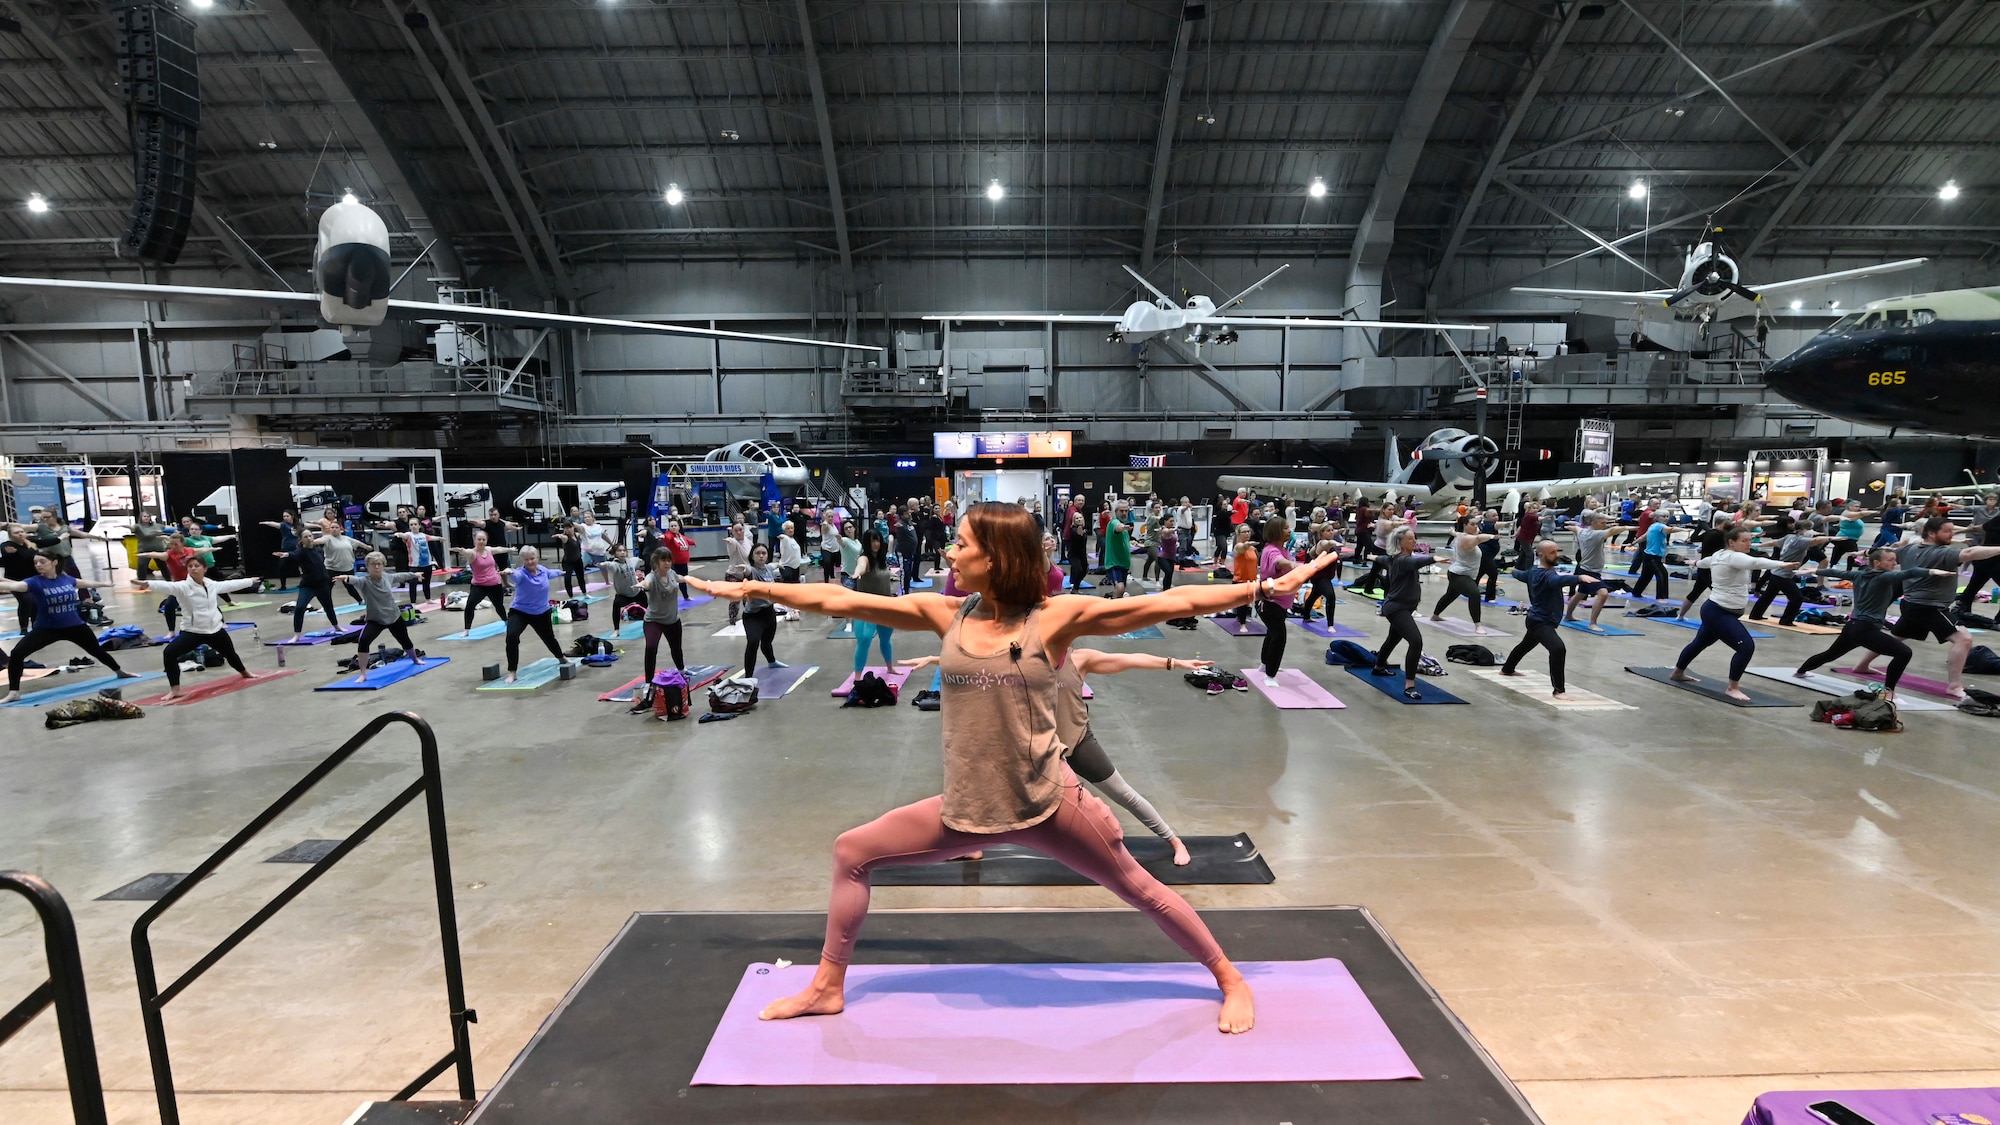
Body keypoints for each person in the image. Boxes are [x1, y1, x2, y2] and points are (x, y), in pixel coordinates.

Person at [686, 501, 1340, 1034]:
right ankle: (828, 986)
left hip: (1050, 805)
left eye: (961, 542)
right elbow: (838, 600)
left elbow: (1163, 605)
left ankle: (1229, 975)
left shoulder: (1053, 619)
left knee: (1139, 887)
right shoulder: (945, 613)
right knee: (852, 851)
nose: (949, 551)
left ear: (996, 557)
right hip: (966, 810)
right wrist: (756, 586)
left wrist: (1258, 586)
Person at [900, 646, 1203, 866]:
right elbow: (978, 661)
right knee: (984, 794)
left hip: (1078, 741)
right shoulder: (1025, 658)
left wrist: (1173, 662)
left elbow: (1126, 660)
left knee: (1123, 793)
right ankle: (972, 846)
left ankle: (1173, 840)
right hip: (1039, 750)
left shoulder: (1079, 658)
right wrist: (934, 659)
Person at [1851, 515, 2000, 700]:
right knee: (1964, 639)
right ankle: (1954, 686)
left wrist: (1865, 553)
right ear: (1931, 533)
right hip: (1930, 607)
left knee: (1897, 637)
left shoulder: (1909, 549)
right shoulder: (1941, 553)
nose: (1951, 534)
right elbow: (1970, 554)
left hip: (1911, 604)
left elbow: (1887, 553)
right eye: (1947, 531)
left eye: (1952, 530)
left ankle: (1862, 665)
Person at [1794, 547, 1954, 700]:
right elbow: (1909, 573)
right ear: (1877, 563)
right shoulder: (1884, 577)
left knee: (1829, 655)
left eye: (1894, 560)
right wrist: (1932, 571)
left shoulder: (1859, 575)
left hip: (1853, 626)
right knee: (1904, 653)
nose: (1894, 563)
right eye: (1890, 560)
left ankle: (1800, 672)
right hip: (1866, 629)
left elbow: (1835, 572)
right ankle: (1889, 691)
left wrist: (1812, 570)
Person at [1668, 527, 1799, 701]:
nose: (1748, 544)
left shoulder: (1719, 555)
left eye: (1750, 540)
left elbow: (1704, 562)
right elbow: (1755, 563)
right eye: (1744, 541)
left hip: (1713, 609)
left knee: (1700, 643)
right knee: (1746, 647)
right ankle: (1732, 688)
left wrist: (1693, 563)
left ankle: (1678, 672)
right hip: (1719, 612)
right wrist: (1782, 564)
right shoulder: (1733, 557)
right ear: (1731, 542)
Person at [2, 552, 141, 701]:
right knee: (17, 653)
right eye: (36, 563)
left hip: (74, 626)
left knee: (97, 650)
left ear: (54, 562)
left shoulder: (66, 578)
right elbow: (14, 585)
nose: (38, 565)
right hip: (46, 628)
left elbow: (85, 583)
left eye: (42, 562)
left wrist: (104, 584)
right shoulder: (34, 582)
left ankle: (120, 671)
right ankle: (14, 693)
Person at [130, 557, 260, 699]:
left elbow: (230, 585)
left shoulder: (212, 584)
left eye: (197, 565)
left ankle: (245, 673)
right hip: (193, 631)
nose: (193, 568)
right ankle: (175, 689)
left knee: (230, 654)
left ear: (204, 569)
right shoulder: (182, 587)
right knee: (169, 653)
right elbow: (166, 586)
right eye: (190, 566)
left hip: (215, 629)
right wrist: (147, 583)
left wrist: (250, 581)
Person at [1502, 540, 1582, 699]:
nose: (1557, 555)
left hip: (1538, 619)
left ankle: (1507, 669)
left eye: (1556, 551)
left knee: (1525, 645)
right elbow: (1558, 581)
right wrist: (1578, 578)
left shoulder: (1533, 572)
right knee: (1558, 649)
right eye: (1552, 552)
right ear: (1541, 555)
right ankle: (1559, 690)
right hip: (1540, 622)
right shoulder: (1546, 575)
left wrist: (1513, 571)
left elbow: (1520, 574)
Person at [334, 552, 431, 668]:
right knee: (363, 641)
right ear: (367, 566)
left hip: (393, 617)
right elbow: (355, 580)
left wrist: (414, 574)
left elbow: (401, 576)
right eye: (373, 564)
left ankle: (415, 659)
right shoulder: (364, 581)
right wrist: (346, 577)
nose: (376, 567)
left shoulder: (388, 577)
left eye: (379, 564)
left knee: (405, 640)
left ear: (383, 565)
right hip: (376, 620)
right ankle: (363, 674)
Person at [1370, 526, 1431, 701]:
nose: (1415, 541)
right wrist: (1434, 558)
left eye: (1414, 538)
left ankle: (1379, 666)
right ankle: (1409, 685)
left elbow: (1383, 558)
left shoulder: (1394, 559)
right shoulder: (1403, 560)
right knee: (1416, 641)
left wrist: (1373, 557)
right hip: (1397, 608)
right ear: (1400, 543)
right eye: (1410, 539)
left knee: (1393, 639)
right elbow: (1416, 563)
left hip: (1404, 607)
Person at [495, 546, 568, 683]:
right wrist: (509, 572)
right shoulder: (521, 574)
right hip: (520, 612)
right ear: (522, 560)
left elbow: (552, 573)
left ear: (537, 558)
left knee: (549, 638)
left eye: (532, 558)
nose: (530, 562)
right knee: (512, 637)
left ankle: (561, 657)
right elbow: (515, 575)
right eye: (526, 559)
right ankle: (512, 672)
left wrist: (562, 572)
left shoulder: (543, 571)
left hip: (541, 612)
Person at [1749, 517, 1832, 626]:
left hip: (1776, 572)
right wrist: (1832, 538)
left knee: (1768, 595)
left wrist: (1758, 545)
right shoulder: (1800, 540)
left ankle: (1755, 614)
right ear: (1803, 530)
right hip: (1783, 575)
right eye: (1810, 530)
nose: (1812, 532)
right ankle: (1786, 621)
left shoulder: (1789, 537)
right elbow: (1816, 540)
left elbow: (1775, 542)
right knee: (1797, 598)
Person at [1431, 515, 1497, 636]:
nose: (1475, 526)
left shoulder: (1461, 535)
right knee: (1474, 594)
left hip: (1460, 572)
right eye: (1472, 524)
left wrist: (1453, 532)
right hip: (1459, 574)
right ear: (1465, 525)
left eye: (1476, 524)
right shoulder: (1467, 539)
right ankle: (1478, 625)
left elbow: (1458, 534)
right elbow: (1479, 538)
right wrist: (1493, 536)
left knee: (1450, 595)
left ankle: (1435, 616)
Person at [275, 529, 342, 641]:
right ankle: (297, 635)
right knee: (300, 607)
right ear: (301, 540)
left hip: (322, 584)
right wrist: (286, 554)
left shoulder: (319, 551)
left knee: (328, 607)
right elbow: (293, 554)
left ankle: (336, 626)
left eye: (310, 536)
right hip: (308, 585)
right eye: (305, 537)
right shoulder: (301, 552)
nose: (309, 538)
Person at [1562, 512, 1623, 632]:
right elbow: (1613, 531)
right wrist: (1628, 527)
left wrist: (1569, 526)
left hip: (1585, 568)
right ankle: (1592, 623)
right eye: (1603, 523)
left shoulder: (1583, 531)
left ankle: (1568, 616)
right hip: (1590, 571)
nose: (1605, 525)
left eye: (1606, 523)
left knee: (1580, 593)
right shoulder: (1595, 534)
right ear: (1594, 523)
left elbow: (1575, 528)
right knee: (1603, 594)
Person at [735, 542, 785, 682]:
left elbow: (772, 565)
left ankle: (772, 662)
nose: (761, 556)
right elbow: (747, 570)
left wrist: (779, 564)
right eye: (758, 553)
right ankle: (748, 677)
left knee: (767, 642)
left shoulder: (768, 568)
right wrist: (744, 568)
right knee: (753, 642)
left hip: (769, 612)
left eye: (764, 553)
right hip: (753, 615)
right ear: (752, 556)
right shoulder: (753, 571)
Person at [1255, 517, 1295, 686]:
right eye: (1286, 528)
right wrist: (1293, 565)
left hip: (1280, 603)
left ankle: (1264, 665)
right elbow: (1279, 562)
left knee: (1272, 634)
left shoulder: (1282, 549)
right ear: (1277, 532)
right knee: (1279, 637)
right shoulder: (1272, 550)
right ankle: (1270, 675)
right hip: (1270, 604)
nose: (1289, 531)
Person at [850, 530, 896, 676]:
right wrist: (857, 573)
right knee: (864, 640)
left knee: (886, 638)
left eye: (877, 540)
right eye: (871, 541)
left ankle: (890, 667)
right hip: (867, 607)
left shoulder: (882, 559)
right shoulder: (864, 558)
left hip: (885, 606)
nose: (875, 544)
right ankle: (857, 677)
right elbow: (861, 566)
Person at [450, 529, 513, 635]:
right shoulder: (472, 553)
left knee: (499, 606)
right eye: (479, 539)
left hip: (494, 583)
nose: (481, 541)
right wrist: (461, 550)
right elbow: (466, 552)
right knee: (470, 605)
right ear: (474, 540)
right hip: (479, 585)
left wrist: (510, 549)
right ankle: (466, 630)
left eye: (483, 539)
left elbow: (499, 549)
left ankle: (506, 621)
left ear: (486, 540)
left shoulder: (488, 550)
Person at [638, 548, 686, 681]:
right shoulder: (652, 576)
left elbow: (679, 578)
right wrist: (642, 585)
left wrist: (691, 580)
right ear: (656, 562)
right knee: (651, 647)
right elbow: (647, 583)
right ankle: (648, 681)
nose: (667, 563)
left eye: (669, 560)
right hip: (654, 620)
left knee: (676, 649)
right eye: (663, 560)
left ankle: (681, 670)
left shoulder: (671, 573)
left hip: (672, 620)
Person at [1952, 494, 2000, 613]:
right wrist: (1959, 531)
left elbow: (1979, 528)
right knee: (1974, 585)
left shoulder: (1997, 519)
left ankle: (1961, 608)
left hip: (1982, 558)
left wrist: (1959, 531)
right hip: (1995, 560)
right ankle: (1998, 620)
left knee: (1973, 586)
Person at [1296, 523, 1342, 622]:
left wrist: (1339, 532)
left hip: (1324, 577)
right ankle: (1330, 625)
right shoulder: (1322, 543)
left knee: (1313, 596)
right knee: (1330, 596)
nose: (1331, 532)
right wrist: (1334, 543)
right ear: (1321, 533)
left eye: (1332, 530)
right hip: (1320, 577)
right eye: (1328, 531)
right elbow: (1327, 544)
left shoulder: (1327, 542)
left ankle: (1306, 617)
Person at [1628, 507, 1671, 600]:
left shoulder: (1653, 526)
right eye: (1663, 516)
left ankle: (1636, 592)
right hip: (1653, 556)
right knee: (1662, 574)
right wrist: (1683, 530)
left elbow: (1644, 537)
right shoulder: (1660, 526)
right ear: (1657, 517)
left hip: (1650, 555)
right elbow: (1670, 530)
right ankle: (1661, 597)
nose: (1666, 518)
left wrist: (1633, 543)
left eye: (1667, 516)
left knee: (1646, 575)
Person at [3, 525, 38, 632]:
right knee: (26, 600)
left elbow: (45, 543)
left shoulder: (30, 543)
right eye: (16, 533)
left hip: (32, 578)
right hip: (14, 580)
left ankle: (35, 626)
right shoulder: (7, 545)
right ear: (10, 536)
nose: (20, 534)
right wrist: (9, 553)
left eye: (22, 532)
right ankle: (23, 627)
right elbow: (25, 557)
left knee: (35, 602)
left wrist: (60, 538)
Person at [260, 510, 302, 591]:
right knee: (282, 567)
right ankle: (283, 585)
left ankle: (303, 582)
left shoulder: (299, 525)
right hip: (285, 549)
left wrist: (318, 523)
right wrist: (267, 523)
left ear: (292, 516)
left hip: (297, 549)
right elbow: (275, 524)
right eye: (284, 516)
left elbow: (307, 525)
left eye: (287, 516)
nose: (285, 518)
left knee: (302, 566)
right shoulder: (283, 525)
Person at [601, 543, 643, 620]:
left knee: (648, 609)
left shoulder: (629, 561)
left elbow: (636, 559)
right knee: (616, 605)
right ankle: (616, 630)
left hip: (637, 592)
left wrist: (640, 559)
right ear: (614, 553)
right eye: (619, 551)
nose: (622, 552)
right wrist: (604, 564)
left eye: (624, 550)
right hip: (624, 595)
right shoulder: (615, 564)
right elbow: (611, 565)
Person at [1102, 501, 1133, 598]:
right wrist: (1122, 527)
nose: (1124, 513)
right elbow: (1118, 527)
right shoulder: (1114, 522)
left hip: (1124, 563)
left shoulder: (1124, 527)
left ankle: (1114, 600)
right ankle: (1112, 609)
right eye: (1121, 511)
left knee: (1121, 590)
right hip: (1114, 563)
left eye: (1126, 511)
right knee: (1120, 587)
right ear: (1116, 512)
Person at [1229, 524, 1259, 622]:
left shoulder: (1253, 549)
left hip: (1251, 580)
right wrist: (1248, 544)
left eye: (1248, 531)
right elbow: (1243, 547)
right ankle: (1241, 622)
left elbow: (1254, 565)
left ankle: (1243, 618)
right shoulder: (1238, 546)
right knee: (1242, 605)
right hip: (1240, 580)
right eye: (1244, 532)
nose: (1247, 534)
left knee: (1248, 603)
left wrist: (1258, 576)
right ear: (1238, 534)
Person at [133, 511, 173, 579]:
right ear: (141, 517)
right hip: (144, 549)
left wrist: (174, 529)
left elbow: (167, 528)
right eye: (144, 516)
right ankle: (141, 583)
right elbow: (132, 528)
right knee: (141, 565)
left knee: (163, 566)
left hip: (158, 549)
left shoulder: (156, 525)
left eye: (148, 516)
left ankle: (169, 581)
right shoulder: (138, 526)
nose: (146, 518)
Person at [662, 517, 694, 596]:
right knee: (672, 581)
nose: (673, 527)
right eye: (671, 526)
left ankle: (686, 596)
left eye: (675, 526)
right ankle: (669, 597)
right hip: (674, 563)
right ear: (669, 528)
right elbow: (667, 538)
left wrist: (693, 543)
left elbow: (687, 540)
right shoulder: (669, 535)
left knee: (684, 580)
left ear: (679, 527)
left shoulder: (680, 536)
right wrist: (663, 537)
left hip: (683, 563)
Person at [779, 520, 806, 585]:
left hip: (795, 566)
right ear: (785, 530)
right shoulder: (785, 539)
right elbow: (783, 537)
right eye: (788, 529)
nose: (790, 530)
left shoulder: (793, 539)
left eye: (792, 528)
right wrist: (782, 536)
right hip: (787, 566)